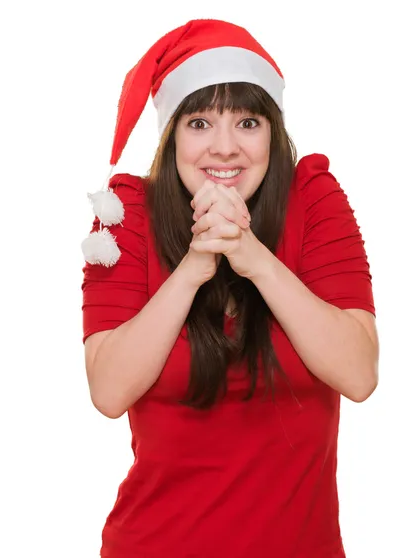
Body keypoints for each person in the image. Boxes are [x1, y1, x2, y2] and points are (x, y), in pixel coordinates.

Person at [80, 18, 379, 558]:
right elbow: (108, 390)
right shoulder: (123, 218)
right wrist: (194, 268)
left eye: (246, 122)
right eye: (199, 123)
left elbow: (358, 375)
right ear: (172, 132)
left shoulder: (313, 201)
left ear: (273, 131)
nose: (224, 148)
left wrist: (252, 258)